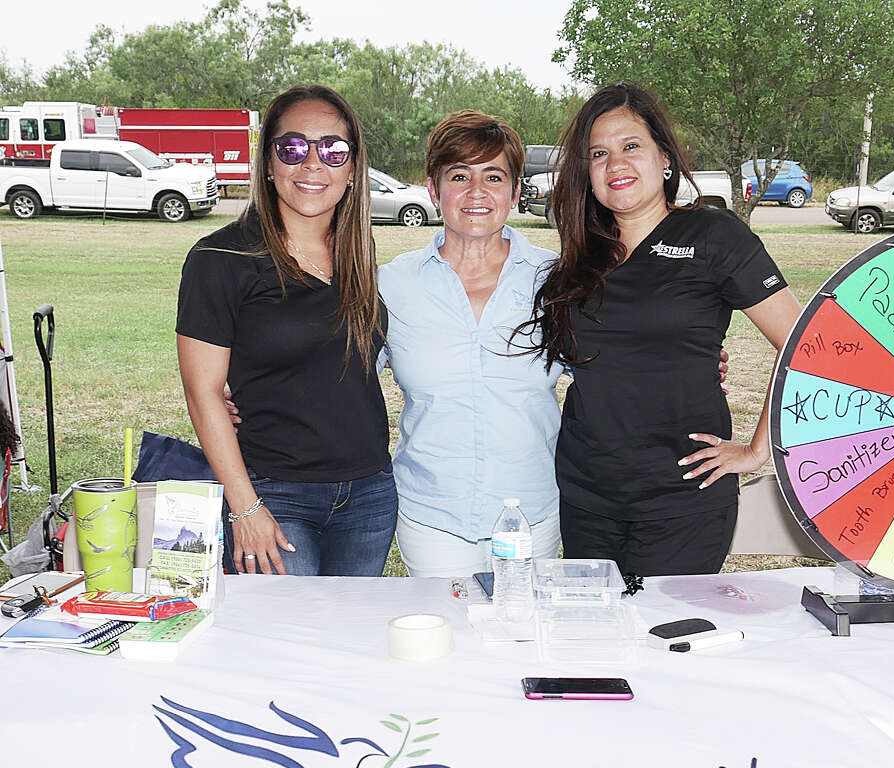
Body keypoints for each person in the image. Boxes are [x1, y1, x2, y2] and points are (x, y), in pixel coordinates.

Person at [527, 82, 802, 577]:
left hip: (683, 499)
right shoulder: (578, 259)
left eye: (631, 146)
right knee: (600, 641)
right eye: (598, 154)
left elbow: (806, 344)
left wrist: (760, 449)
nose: (616, 164)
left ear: (665, 158)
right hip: (588, 494)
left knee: (666, 643)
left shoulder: (714, 234)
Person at [176, 85, 396, 576]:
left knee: (348, 644)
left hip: (369, 494)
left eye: (333, 149)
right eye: (292, 147)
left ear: (353, 168)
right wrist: (246, 508)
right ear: (269, 164)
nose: (313, 163)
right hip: (273, 494)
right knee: (287, 645)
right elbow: (203, 392)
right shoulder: (221, 259)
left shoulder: (358, 254)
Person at [375, 111, 562, 578]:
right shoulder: (392, 284)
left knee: (521, 641)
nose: (477, 192)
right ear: (434, 191)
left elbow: (616, 369)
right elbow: (333, 375)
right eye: (459, 176)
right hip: (432, 518)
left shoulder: (558, 281)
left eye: (493, 176)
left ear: (516, 192)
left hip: (534, 513)